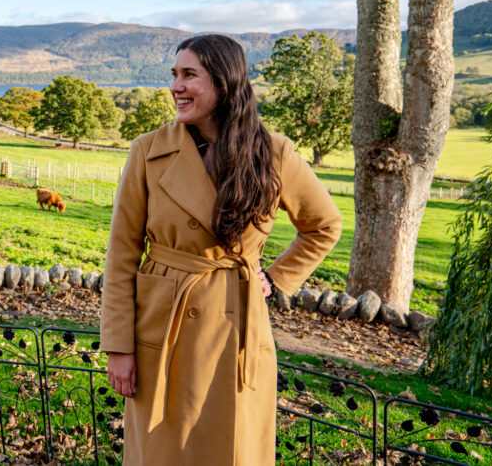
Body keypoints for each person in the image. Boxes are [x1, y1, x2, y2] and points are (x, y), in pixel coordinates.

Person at [101, 34, 342, 465]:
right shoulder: (147, 151)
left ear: (225, 82)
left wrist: (277, 277)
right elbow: (121, 256)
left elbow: (324, 226)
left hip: (238, 330)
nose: (176, 86)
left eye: (189, 74)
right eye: (174, 74)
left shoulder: (274, 152)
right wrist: (119, 347)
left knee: (232, 449)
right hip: (164, 328)